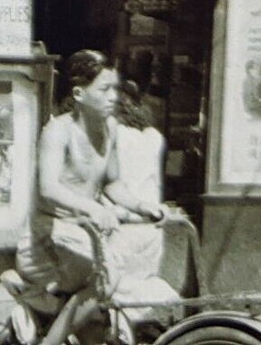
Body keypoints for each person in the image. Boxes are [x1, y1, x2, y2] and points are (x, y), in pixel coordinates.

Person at [15, 51, 164, 345]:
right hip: (46, 240)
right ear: (79, 93)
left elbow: (112, 183)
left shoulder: (109, 130)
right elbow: (49, 188)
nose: (114, 96)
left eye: (116, 88)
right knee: (103, 283)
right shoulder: (57, 132)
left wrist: (142, 205)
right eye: (104, 89)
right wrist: (92, 209)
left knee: (97, 330)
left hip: (81, 237)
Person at [112, 80, 168, 281]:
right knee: (145, 286)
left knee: (116, 291)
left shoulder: (113, 134)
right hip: (151, 225)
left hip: (121, 225)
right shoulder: (154, 136)